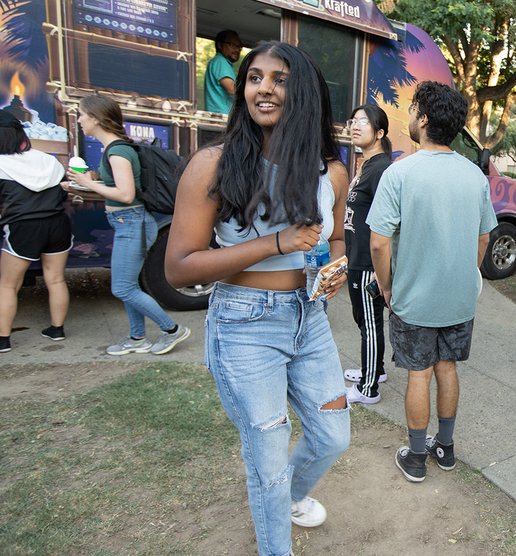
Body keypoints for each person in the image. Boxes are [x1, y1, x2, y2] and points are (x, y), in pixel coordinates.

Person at [164, 41, 351, 556]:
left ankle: (281, 499)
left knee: (333, 436)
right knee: (267, 460)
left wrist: (335, 269)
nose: (263, 89)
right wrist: (275, 243)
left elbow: (335, 236)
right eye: (254, 78)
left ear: (305, 93)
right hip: (244, 324)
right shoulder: (213, 165)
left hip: (309, 319)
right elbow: (179, 267)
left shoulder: (332, 171)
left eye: (279, 79)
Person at [367, 81, 497, 483]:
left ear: (423, 119)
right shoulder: (475, 176)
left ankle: (416, 457)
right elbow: (484, 237)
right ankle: (446, 447)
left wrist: (386, 286)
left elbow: (378, 243)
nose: (409, 116)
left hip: (414, 298)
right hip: (459, 299)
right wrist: (468, 274)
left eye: (412, 110)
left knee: (419, 374)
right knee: (447, 368)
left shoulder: (400, 173)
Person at [66, 95, 190, 356]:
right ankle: (137, 338)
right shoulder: (115, 149)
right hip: (128, 223)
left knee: (122, 287)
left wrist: (87, 183)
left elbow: (125, 193)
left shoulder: (118, 151)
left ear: (96, 118)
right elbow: (119, 187)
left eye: (82, 114)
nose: (79, 120)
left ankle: (172, 330)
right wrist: (89, 182)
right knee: (128, 285)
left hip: (132, 223)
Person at [0, 110, 70, 353]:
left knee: (8, 285)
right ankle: (57, 329)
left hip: (23, 228)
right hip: (57, 224)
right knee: (56, 279)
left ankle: (3, 340)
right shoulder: (47, 160)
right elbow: (63, 193)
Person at [342, 104, 392, 405]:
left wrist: (379, 266)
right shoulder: (367, 166)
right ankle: (375, 369)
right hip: (356, 257)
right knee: (365, 321)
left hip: (367, 262)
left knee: (370, 323)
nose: (355, 126)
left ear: (380, 132)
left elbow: (392, 222)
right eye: (353, 121)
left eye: (363, 121)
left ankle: (369, 387)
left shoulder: (382, 169)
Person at [205, 30, 243, 114]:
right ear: (220, 45)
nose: (237, 50)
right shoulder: (220, 61)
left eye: (239, 46)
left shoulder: (220, 62)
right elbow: (232, 89)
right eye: (233, 45)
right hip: (221, 116)